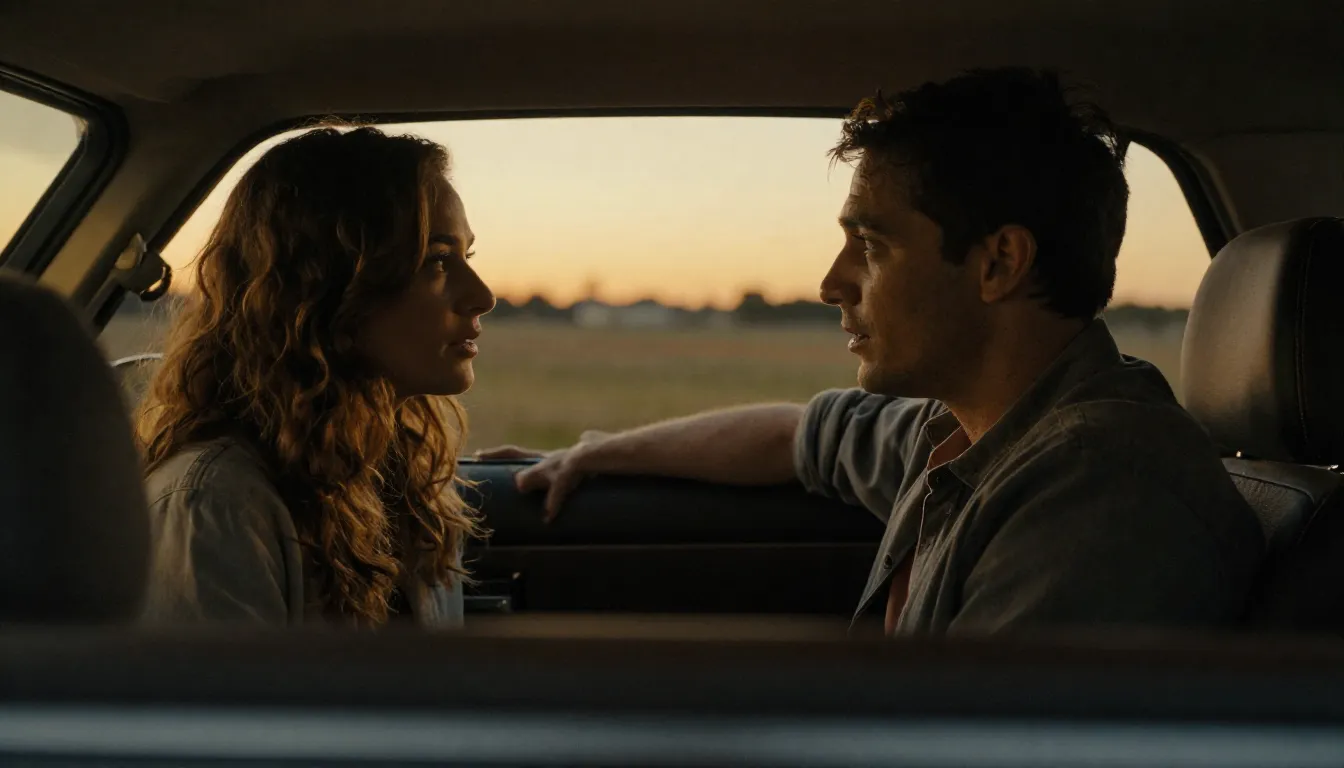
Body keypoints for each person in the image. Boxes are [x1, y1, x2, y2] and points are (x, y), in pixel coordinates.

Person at [480, 68, 1265, 635]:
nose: (832, 283)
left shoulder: (1101, 492)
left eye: (872, 246)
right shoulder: (966, 429)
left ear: (998, 264)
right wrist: (598, 454)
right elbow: (799, 435)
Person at [137, 126, 494, 627]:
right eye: (436, 260)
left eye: (465, 256)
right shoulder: (215, 505)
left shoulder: (399, 470)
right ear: (328, 287)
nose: (482, 296)